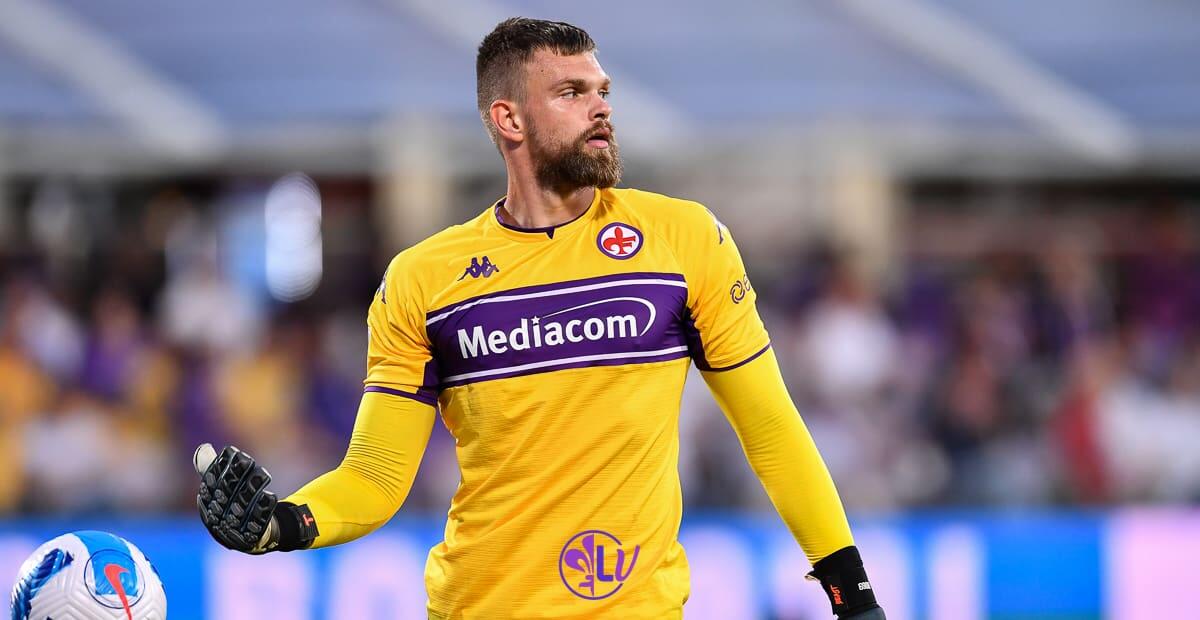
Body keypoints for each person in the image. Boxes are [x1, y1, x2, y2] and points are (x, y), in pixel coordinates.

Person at [194, 17, 885, 620]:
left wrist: (850, 592)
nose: (601, 109)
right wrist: (284, 524)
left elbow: (770, 429)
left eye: (602, 91)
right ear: (509, 119)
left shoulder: (686, 239)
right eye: (572, 93)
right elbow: (375, 476)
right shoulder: (423, 279)